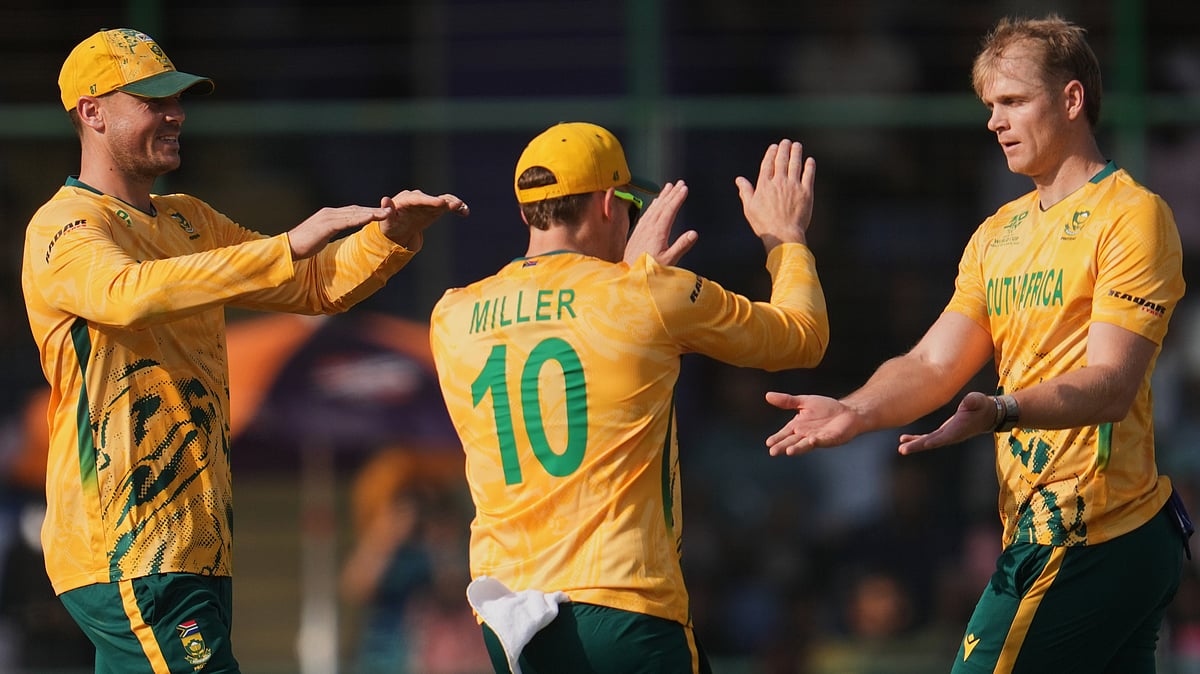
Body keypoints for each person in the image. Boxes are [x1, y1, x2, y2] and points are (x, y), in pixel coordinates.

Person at [21, 28, 467, 673]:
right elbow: (123, 295)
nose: (175, 114)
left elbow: (312, 285)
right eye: (151, 99)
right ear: (91, 112)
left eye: (178, 100)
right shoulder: (64, 226)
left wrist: (392, 239)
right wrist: (285, 244)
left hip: (194, 545)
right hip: (126, 547)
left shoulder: (188, 220)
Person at [765, 14, 1189, 673]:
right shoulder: (998, 232)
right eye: (990, 106)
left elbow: (1112, 385)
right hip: (1060, 529)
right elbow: (934, 362)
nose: (995, 121)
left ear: (1072, 100)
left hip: (1091, 528)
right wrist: (857, 411)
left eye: (1014, 101)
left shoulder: (1131, 215)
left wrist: (1002, 409)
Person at [429, 121, 829, 673]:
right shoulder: (647, 295)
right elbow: (802, 337)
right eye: (628, 203)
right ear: (605, 204)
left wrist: (622, 274)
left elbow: (570, 344)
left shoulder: (452, 315)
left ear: (527, 213)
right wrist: (784, 238)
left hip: (509, 621)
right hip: (624, 604)